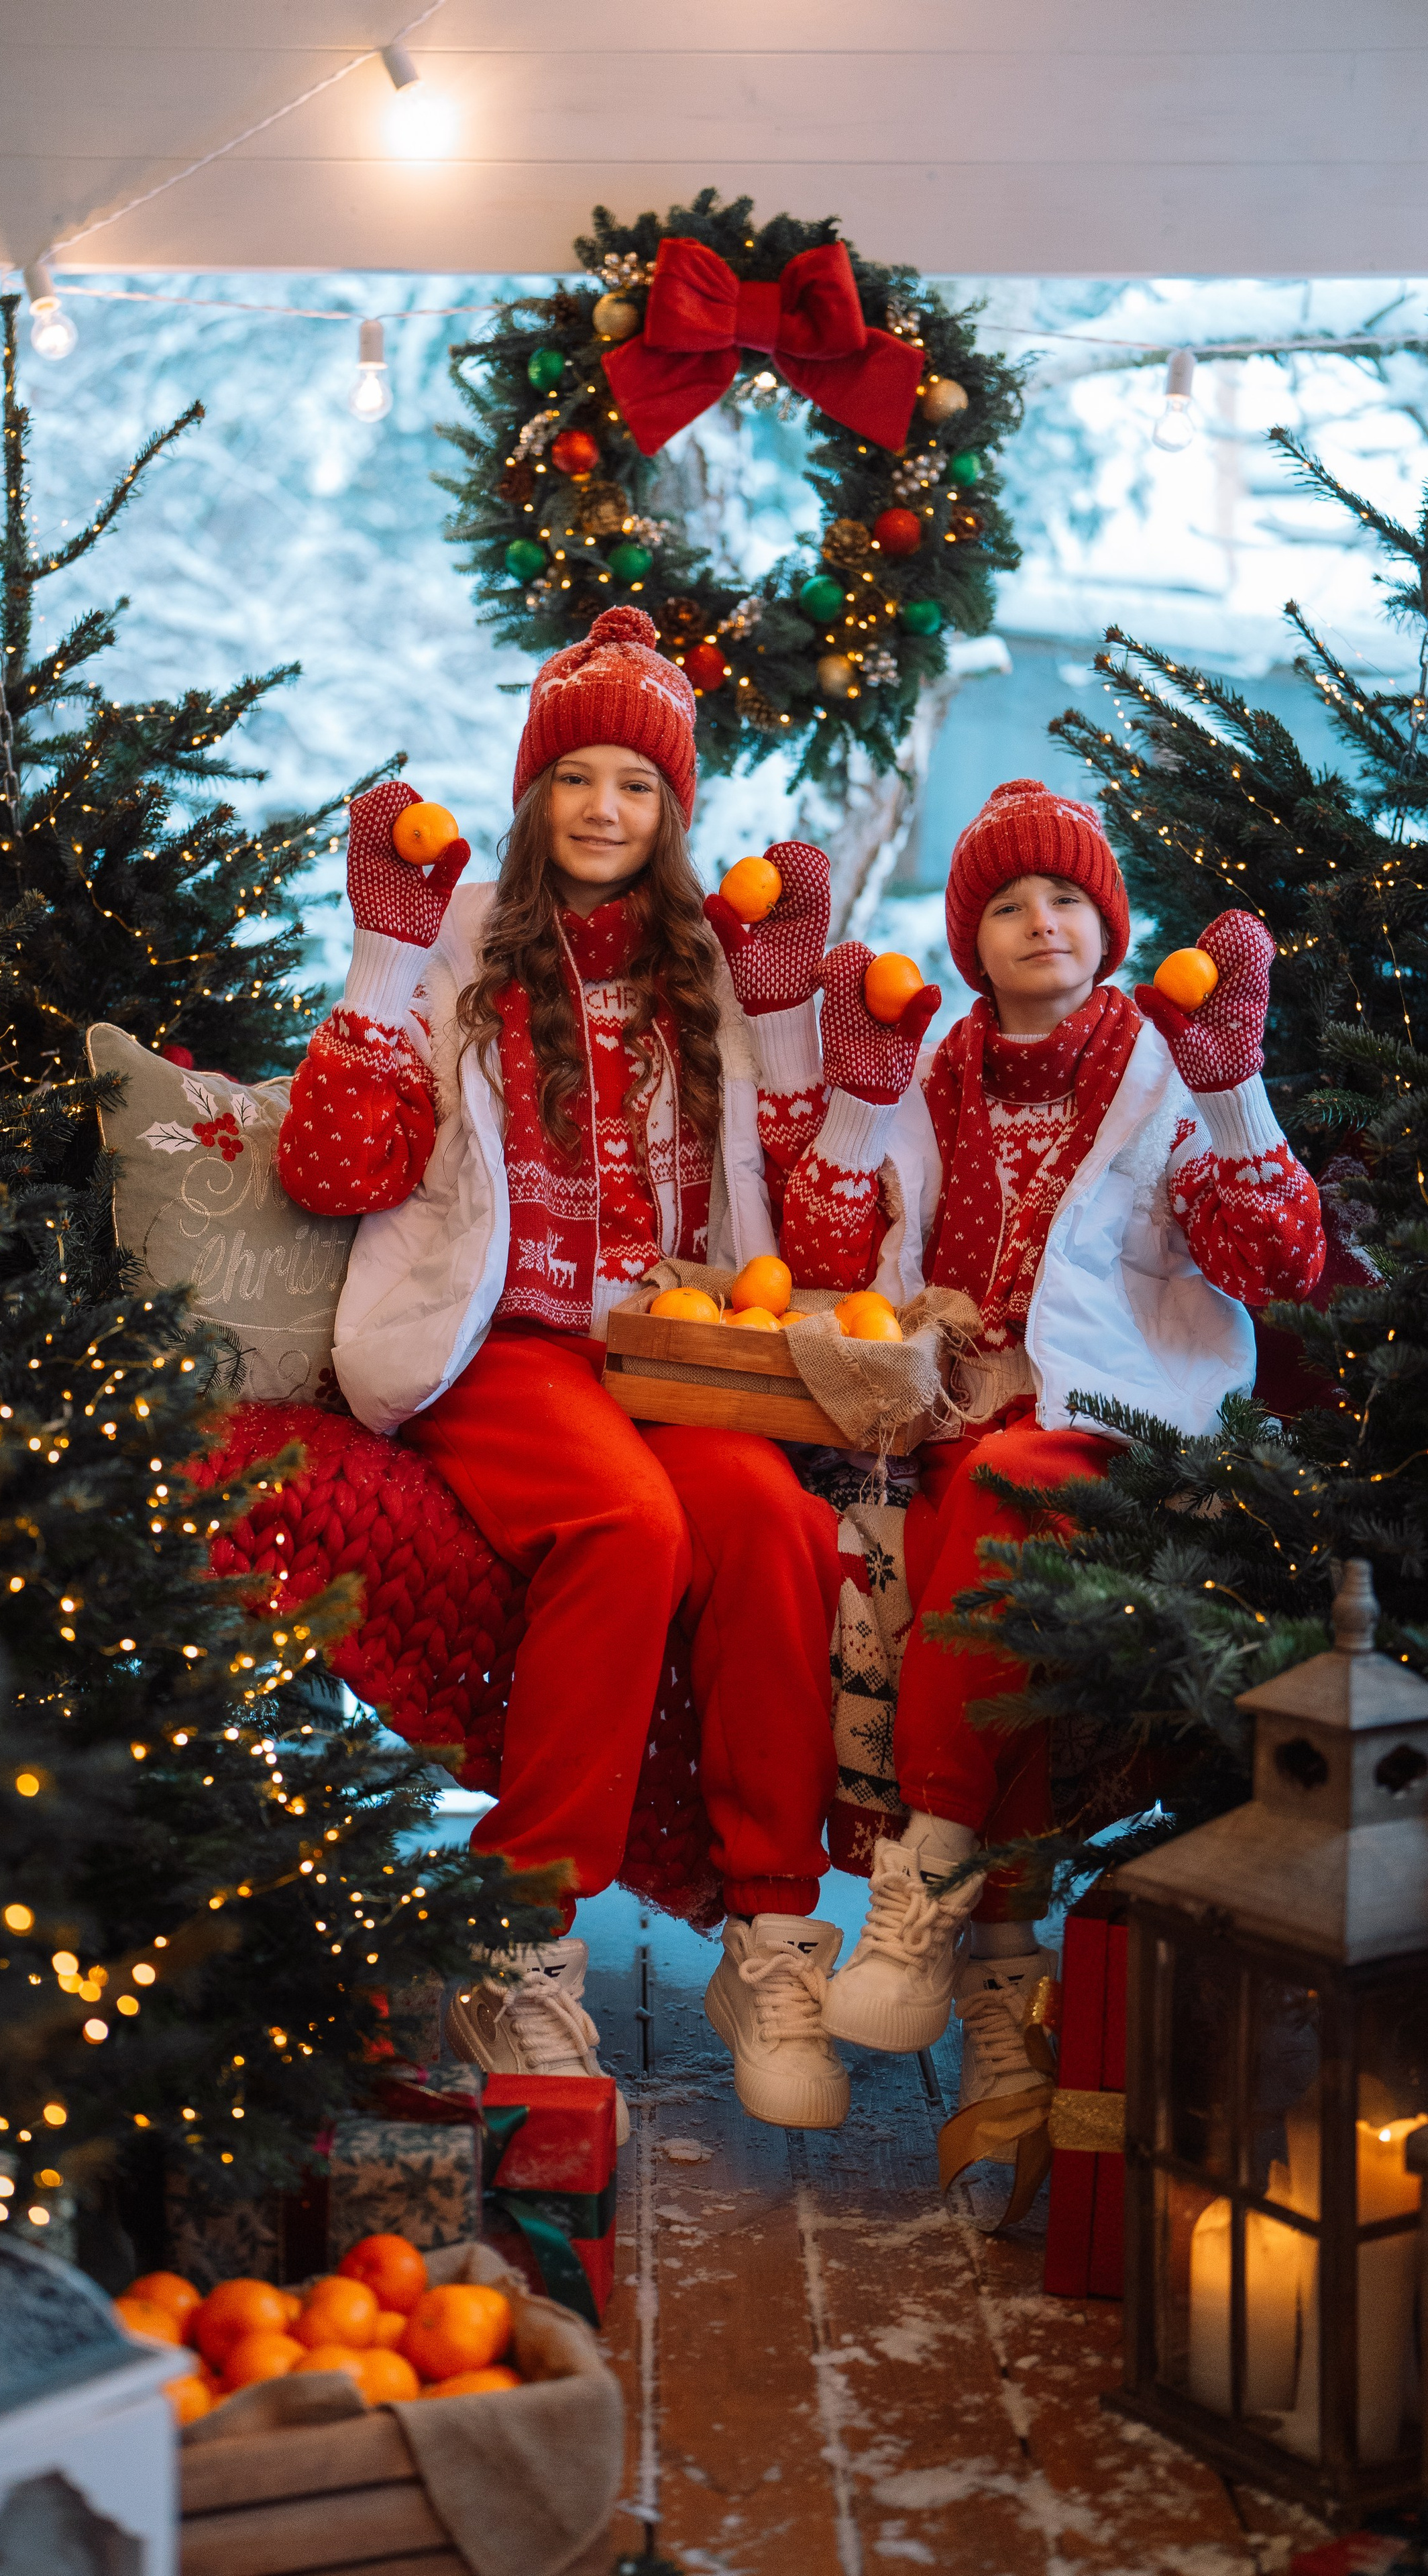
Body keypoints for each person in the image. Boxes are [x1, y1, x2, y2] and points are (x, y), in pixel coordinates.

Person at [277, 606, 896, 2136]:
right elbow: (332, 1168)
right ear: (531, 794)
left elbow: (817, 1230)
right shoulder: (456, 949)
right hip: (501, 1344)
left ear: (674, 810)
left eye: (638, 782)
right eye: (575, 777)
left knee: (771, 1526)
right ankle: (521, 1938)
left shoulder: (714, 966)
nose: (605, 808)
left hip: (675, 1353)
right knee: (629, 1526)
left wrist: (788, 1026)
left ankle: (769, 1935)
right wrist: (382, 952)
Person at [801, 777, 1326, 2139]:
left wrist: (1232, 1089)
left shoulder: (1168, 1074)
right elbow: (822, 1254)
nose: (1042, 921)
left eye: (1068, 899)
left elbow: (1278, 1261)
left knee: (1001, 1495)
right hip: (946, 1412)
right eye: (1008, 905)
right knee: (970, 1541)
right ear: (969, 941)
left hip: (1115, 1419)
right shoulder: (931, 1071)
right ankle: (1000, 1963)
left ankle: (922, 1880)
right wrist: (856, 1102)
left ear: (1109, 925)